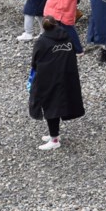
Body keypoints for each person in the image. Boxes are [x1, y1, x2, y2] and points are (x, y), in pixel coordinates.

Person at [28, 17, 85, 151]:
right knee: (58, 104)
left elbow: (35, 61)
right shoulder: (67, 37)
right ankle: (53, 134)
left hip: (49, 78)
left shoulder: (42, 41)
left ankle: (54, 139)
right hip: (67, 77)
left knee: (50, 106)